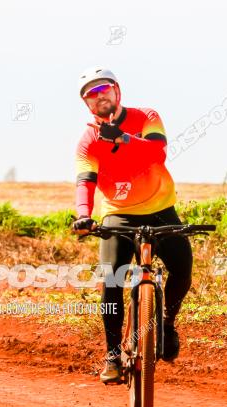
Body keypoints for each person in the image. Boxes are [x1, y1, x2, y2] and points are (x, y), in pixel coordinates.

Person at [71, 67, 193, 384]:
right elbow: (85, 181)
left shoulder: (146, 116)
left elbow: (158, 153)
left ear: (117, 92)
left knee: (182, 266)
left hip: (160, 210)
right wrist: (83, 214)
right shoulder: (88, 141)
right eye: (91, 96)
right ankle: (113, 353)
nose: (99, 98)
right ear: (87, 106)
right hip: (118, 214)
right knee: (111, 280)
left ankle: (166, 323)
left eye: (104, 90)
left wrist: (124, 138)